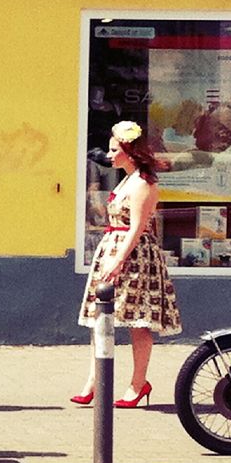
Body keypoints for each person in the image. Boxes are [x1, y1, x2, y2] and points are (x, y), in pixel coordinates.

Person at [75, 120, 181, 408]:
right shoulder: (127, 179)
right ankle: (93, 382)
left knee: (138, 321)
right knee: (101, 318)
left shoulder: (143, 183)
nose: (109, 156)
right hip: (115, 248)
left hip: (134, 256)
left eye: (114, 150)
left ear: (129, 151)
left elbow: (137, 227)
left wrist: (119, 259)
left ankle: (138, 384)